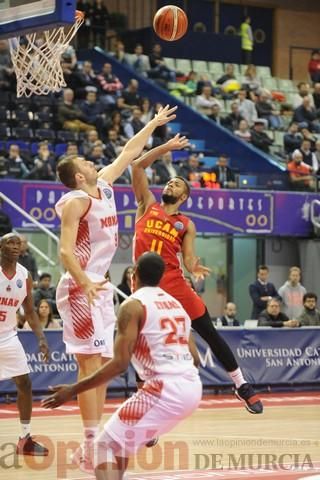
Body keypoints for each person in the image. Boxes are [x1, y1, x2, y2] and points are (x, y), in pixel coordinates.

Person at [54, 105, 177, 473]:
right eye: (86, 164)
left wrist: (152, 125)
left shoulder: (103, 186)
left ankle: (96, 442)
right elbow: (63, 250)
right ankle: (90, 443)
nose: (94, 163)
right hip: (81, 289)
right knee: (89, 364)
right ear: (78, 176)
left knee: (104, 365)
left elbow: (128, 152)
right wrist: (84, 281)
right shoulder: (76, 201)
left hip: (100, 287)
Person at [131, 136, 263, 415]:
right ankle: (145, 405)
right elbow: (137, 166)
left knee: (209, 332)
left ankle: (241, 385)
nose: (170, 184)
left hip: (174, 282)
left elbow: (188, 258)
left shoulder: (185, 224)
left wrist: (194, 267)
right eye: (169, 181)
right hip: (144, 286)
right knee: (141, 345)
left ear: (184, 197)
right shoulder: (147, 205)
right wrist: (165, 148)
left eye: (176, 184)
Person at [42, 252, 202, 479]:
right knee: (122, 445)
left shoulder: (133, 305)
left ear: (133, 275)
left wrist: (73, 390)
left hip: (163, 391)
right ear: (161, 276)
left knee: (98, 449)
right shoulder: (176, 305)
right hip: (193, 389)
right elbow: (195, 359)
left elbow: (119, 365)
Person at [0, 233, 49, 455]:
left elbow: (29, 310)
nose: (15, 246)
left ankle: (25, 438)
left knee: (25, 383)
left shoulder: (25, 275)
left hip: (9, 336)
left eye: (18, 243)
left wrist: (41, 338)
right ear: (0, 247)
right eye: (9, 242)